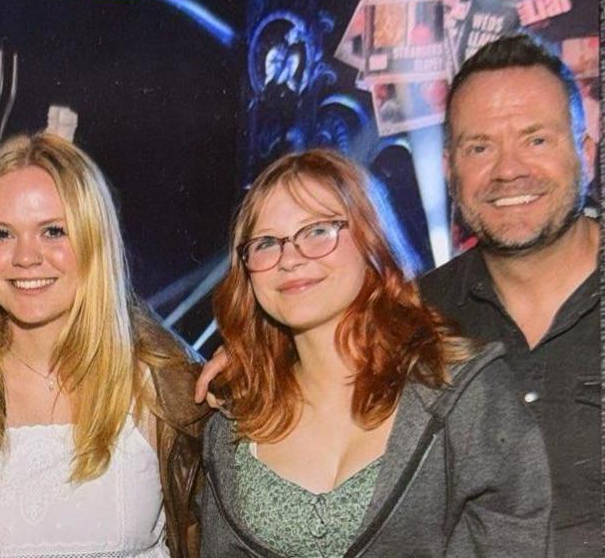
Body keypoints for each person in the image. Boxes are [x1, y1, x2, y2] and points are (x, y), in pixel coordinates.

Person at [197, 149, 551, 557]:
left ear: (370, 238)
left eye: (317, 230)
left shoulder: (465, 397)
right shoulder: (232, 424)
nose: (290, 258)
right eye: (266, 242)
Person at [0, 132, 211, 558]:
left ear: (94, 239)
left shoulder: (169, 388)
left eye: (54, 231)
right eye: (1, 234)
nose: (27, 257)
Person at [418, 34, 600, 557]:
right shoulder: (408, 320)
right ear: (451, 169)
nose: (508, 169)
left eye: (536, 139)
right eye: (480, 147)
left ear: (584, 151)